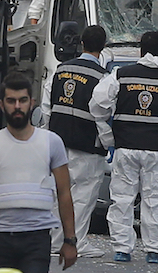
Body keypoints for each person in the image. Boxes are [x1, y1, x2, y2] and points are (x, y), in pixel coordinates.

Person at [89, 31, 158, 264]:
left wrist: (109, 139)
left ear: (140, 50)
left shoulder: (121, 74)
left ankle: (122, 248)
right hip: (156, 149)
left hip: (126, 147)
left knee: (122, 199)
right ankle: (154, 249)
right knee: (155, 199)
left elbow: (97, 104)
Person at [0, 72, 78, 273]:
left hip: (37, 239)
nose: (17, 106)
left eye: (22, 100)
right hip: (0, 238)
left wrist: (70, 240)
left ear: (31, 103)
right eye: (11, 101)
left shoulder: (52, 143)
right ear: (2, 104)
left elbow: (64, 193)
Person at [42, 25, 111, 258]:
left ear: (81, 43)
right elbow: (102, 112)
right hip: (87, 144)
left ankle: (53, 241)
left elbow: (46, 108)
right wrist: (107, 142)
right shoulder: (103, 77)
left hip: (57, 141)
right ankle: (76, 242)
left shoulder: (60, 71)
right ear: (103, 47)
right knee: (83, 195)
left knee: (58, 191)